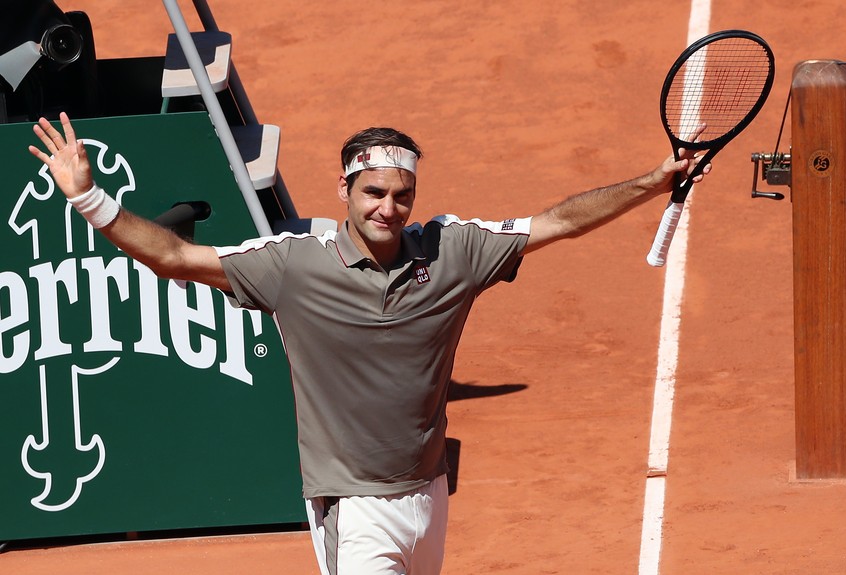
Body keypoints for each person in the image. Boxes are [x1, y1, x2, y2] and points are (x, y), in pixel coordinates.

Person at [29, 112, 710, 575]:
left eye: (401, 195)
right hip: (350, 506)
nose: (388, 207)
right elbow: (177, 257)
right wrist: (91, 200)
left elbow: (558, 221)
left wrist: (650, 183)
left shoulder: (453, 251)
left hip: (428, 493)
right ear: (345, 189)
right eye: (373, 191)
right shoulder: (293, 265)